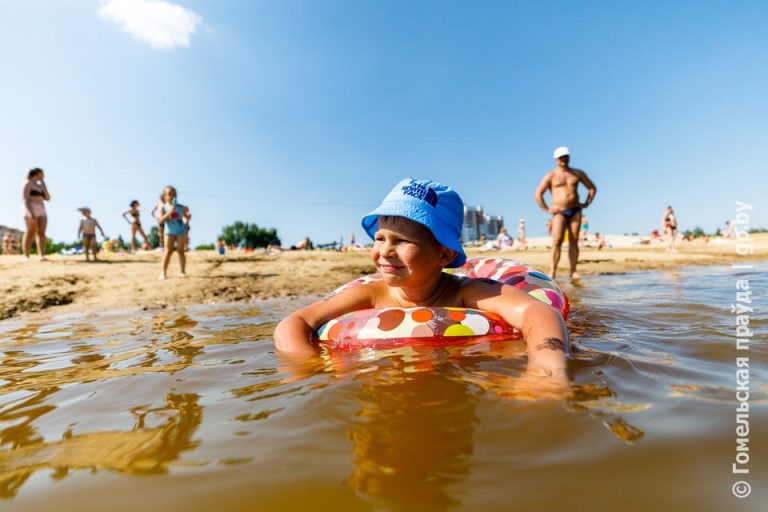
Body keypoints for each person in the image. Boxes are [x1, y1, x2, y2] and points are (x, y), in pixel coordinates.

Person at [274, 178, 570, 379]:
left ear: (443, 255)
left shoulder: (467, 292)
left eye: (401, 241)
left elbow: (537, 311)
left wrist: (545, 369)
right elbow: (293, 324)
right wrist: (312, 367)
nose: (385, 252)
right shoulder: (372, 295)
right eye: (379, 238)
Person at [534, 146, 597, 279]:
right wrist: (547, 209)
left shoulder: (577, 173)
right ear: (556, 159)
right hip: (559, 211)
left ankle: (573, 271)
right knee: (557, 240)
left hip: (575, 210)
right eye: (561, 157)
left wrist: (586, 203)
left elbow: (592, 188)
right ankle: (553, 271)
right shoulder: (551, 175)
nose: (564, 159)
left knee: (574, 239)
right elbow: (538, 194)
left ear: (569, 157)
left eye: (566, 156)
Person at [158, 186, 191, 279]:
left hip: (181, 231)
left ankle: (182, 271)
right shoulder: (163, 207)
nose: (172, 196)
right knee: (168, 251)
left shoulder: (181, 207)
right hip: (169, 231)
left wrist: (187, 217)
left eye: (174, 194)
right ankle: (163, 272)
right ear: (164, 196)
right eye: (169, 194)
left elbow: (186, 217)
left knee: (181, 250)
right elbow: (161, 220)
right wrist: (170, 212)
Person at [22, 167, 51, 261]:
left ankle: (41, 255)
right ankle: (26, 256)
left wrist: (43, 184)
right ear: (38, 173)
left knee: (41, 232)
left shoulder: (40, 185)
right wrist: (31, 212)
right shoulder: (28, 183)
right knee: (30, 232)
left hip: (42, 209)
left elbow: (48, 198)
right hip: (31, 208)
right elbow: (25, 199)